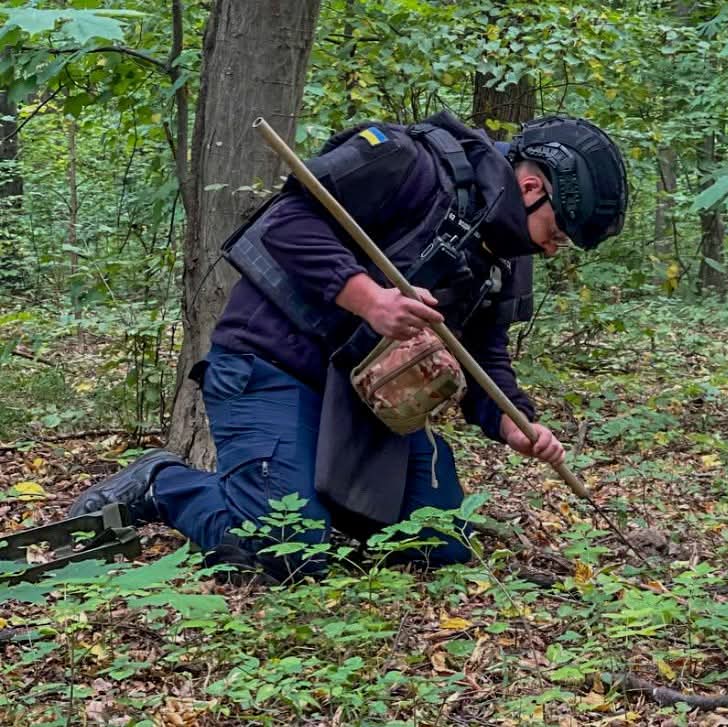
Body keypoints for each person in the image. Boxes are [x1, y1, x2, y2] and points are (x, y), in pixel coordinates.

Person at [69, 111, 628, 581]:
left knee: (441, 544)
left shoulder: (506, 259)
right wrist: (369, 299)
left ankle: (314, 493)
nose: (557, 248)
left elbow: (483, 356)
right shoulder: (411, 163)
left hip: (365, 400)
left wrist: (514, 423)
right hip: (269, 364)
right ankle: (162, 484)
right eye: (560, 230)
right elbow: (287, 223)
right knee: (288, 549)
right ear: (533, 188)